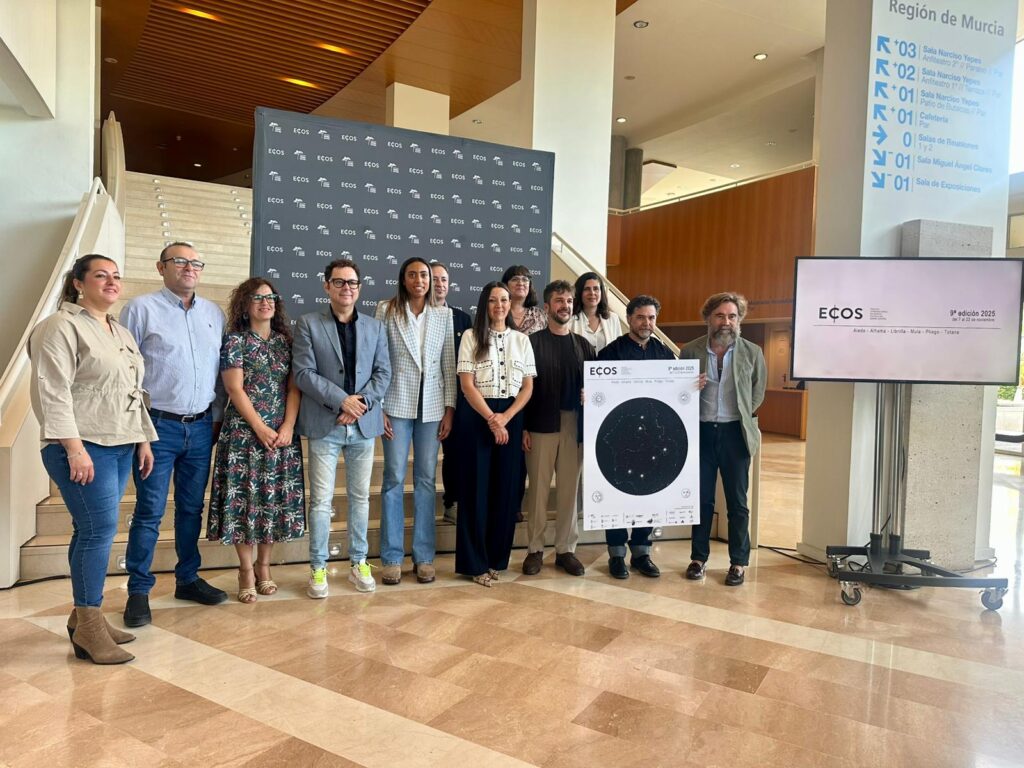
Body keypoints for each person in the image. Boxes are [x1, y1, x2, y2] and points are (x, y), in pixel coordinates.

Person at [28, 254, 156, 664]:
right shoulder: (58, 327)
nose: (112, 282)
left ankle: (84, 616)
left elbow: (131, 391)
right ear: (78, 284)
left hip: (121, 442)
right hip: (82, 445)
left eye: (116, 276)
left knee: (92, 530)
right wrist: (73, 447)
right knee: (98, 530)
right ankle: (88, 627)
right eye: (101, 275)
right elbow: (54, 392)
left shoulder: (117, 330)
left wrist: (144, 440)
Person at [119, 242, 227, 628]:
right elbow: (124, 371)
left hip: (199, 428)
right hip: (157, 427)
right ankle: (138, 591)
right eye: (179, 261)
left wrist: (215, 420)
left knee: (191, 509)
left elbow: (219, 374)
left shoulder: (214, 313)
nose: (188, 267)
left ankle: (188, 579)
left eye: (195, 262)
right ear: (161, 267)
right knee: (149, 512)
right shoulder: (140, 309)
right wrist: (138, 429)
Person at [294, 259, 391, 597]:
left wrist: (358, 403)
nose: (346, 288)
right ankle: (318, 568)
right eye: (339, 282)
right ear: (327, 286)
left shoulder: (376, 328)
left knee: (360, 498)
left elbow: (383, 374)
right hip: (326, 423)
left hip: (362, 425)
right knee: (321, 501)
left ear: (359, 288)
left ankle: (359, 562)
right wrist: (341, 401)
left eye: (352, 283)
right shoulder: (308, 324)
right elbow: (304, 374)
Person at [206, 278, 305, 603]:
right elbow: (235, 389)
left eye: (270, 297)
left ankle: (265, 567)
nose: (265, 303)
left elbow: (293, 388)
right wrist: (260, 428)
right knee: (246, 503)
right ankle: (246, 570)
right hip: (244, 436)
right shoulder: (235, 341)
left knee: (271, 503)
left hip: (281, 435)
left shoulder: (285, 342)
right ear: (245, 305)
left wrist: (288, 426)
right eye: (257, 298)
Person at [375, 258, 456, 585]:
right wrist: (377, 406)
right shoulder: (387, 310)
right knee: (393, 478)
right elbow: (377, 359)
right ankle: (392, 557)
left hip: (433, 408)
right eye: (414, 274)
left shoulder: (444, 314)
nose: (420, 280)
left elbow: (448, 363)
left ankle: (424, 557)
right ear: (404, 279)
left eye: (425, 275)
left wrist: (450, 407)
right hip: (395, 404)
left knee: (425, 480)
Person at [679, 292, 766, 586]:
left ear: (738, 320)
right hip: (701, 432)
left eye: (732, 316)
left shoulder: (753, 353)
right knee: (701, 500)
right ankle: (698, 558)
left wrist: (741, 415)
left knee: (737, 503)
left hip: (735, 434)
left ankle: (738, 562)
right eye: (720, 316)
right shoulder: (690, 351)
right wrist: (690, 388)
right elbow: (678, 394)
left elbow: (757, 393)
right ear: (708, 319)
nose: (726, 322)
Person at [455, 282, 535, 586]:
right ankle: (474, 564)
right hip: (478, 416)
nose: (500, 305)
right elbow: (467, 384)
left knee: (506, 490)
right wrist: (492, 419)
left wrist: (506, 418)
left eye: (504, 299)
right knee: (476, 490)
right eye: (493, 300)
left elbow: (528, 386)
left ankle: (496, 560)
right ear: (484, 304)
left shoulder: (521, 340)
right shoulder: (471, 337)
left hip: (511, 415)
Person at [598, 295, 677, 580]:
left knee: (649, 494)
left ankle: (642, 552)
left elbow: (674, 393)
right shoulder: (610, 353)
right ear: (629, 319)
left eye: (652, 318)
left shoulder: (666, 354)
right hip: (621, 437)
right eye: (641, 317)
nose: (647, 323)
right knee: (618, 495)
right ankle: (617, 554)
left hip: (654, 438)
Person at [521, 280, 596, 577]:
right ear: (547, 307)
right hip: (540, 425)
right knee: (538, 491)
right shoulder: (531, 343)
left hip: (573, 426)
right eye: (558, 301)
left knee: (569, 491)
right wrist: (524, 427)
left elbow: (598, 387)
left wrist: (590, 396)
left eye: (568, 301)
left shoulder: (584, 345)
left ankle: (565, 549)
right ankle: (535, 549)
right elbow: (522, 388)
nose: (564, 305)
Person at [431, 262, 472, 523]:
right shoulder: (417, 316)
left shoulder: (462, 318)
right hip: (421, 397)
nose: (440, 284)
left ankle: (451, 502)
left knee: (455, 452)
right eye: (435, 279)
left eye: (444, 280)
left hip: (455, 398)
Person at [569, 272, 620, 353]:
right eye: (587, 289)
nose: (592, 293)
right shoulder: (570, 319)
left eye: (596, 289)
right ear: (579, 293)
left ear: (601, 292)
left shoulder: (613, 318)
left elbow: (618, 350)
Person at [501, 264, 546, 335]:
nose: (520, 283)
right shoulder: (498, 311)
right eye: (515, 279)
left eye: (525, 280)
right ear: (506, 285)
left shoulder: (541, 315)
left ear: (529, 285)